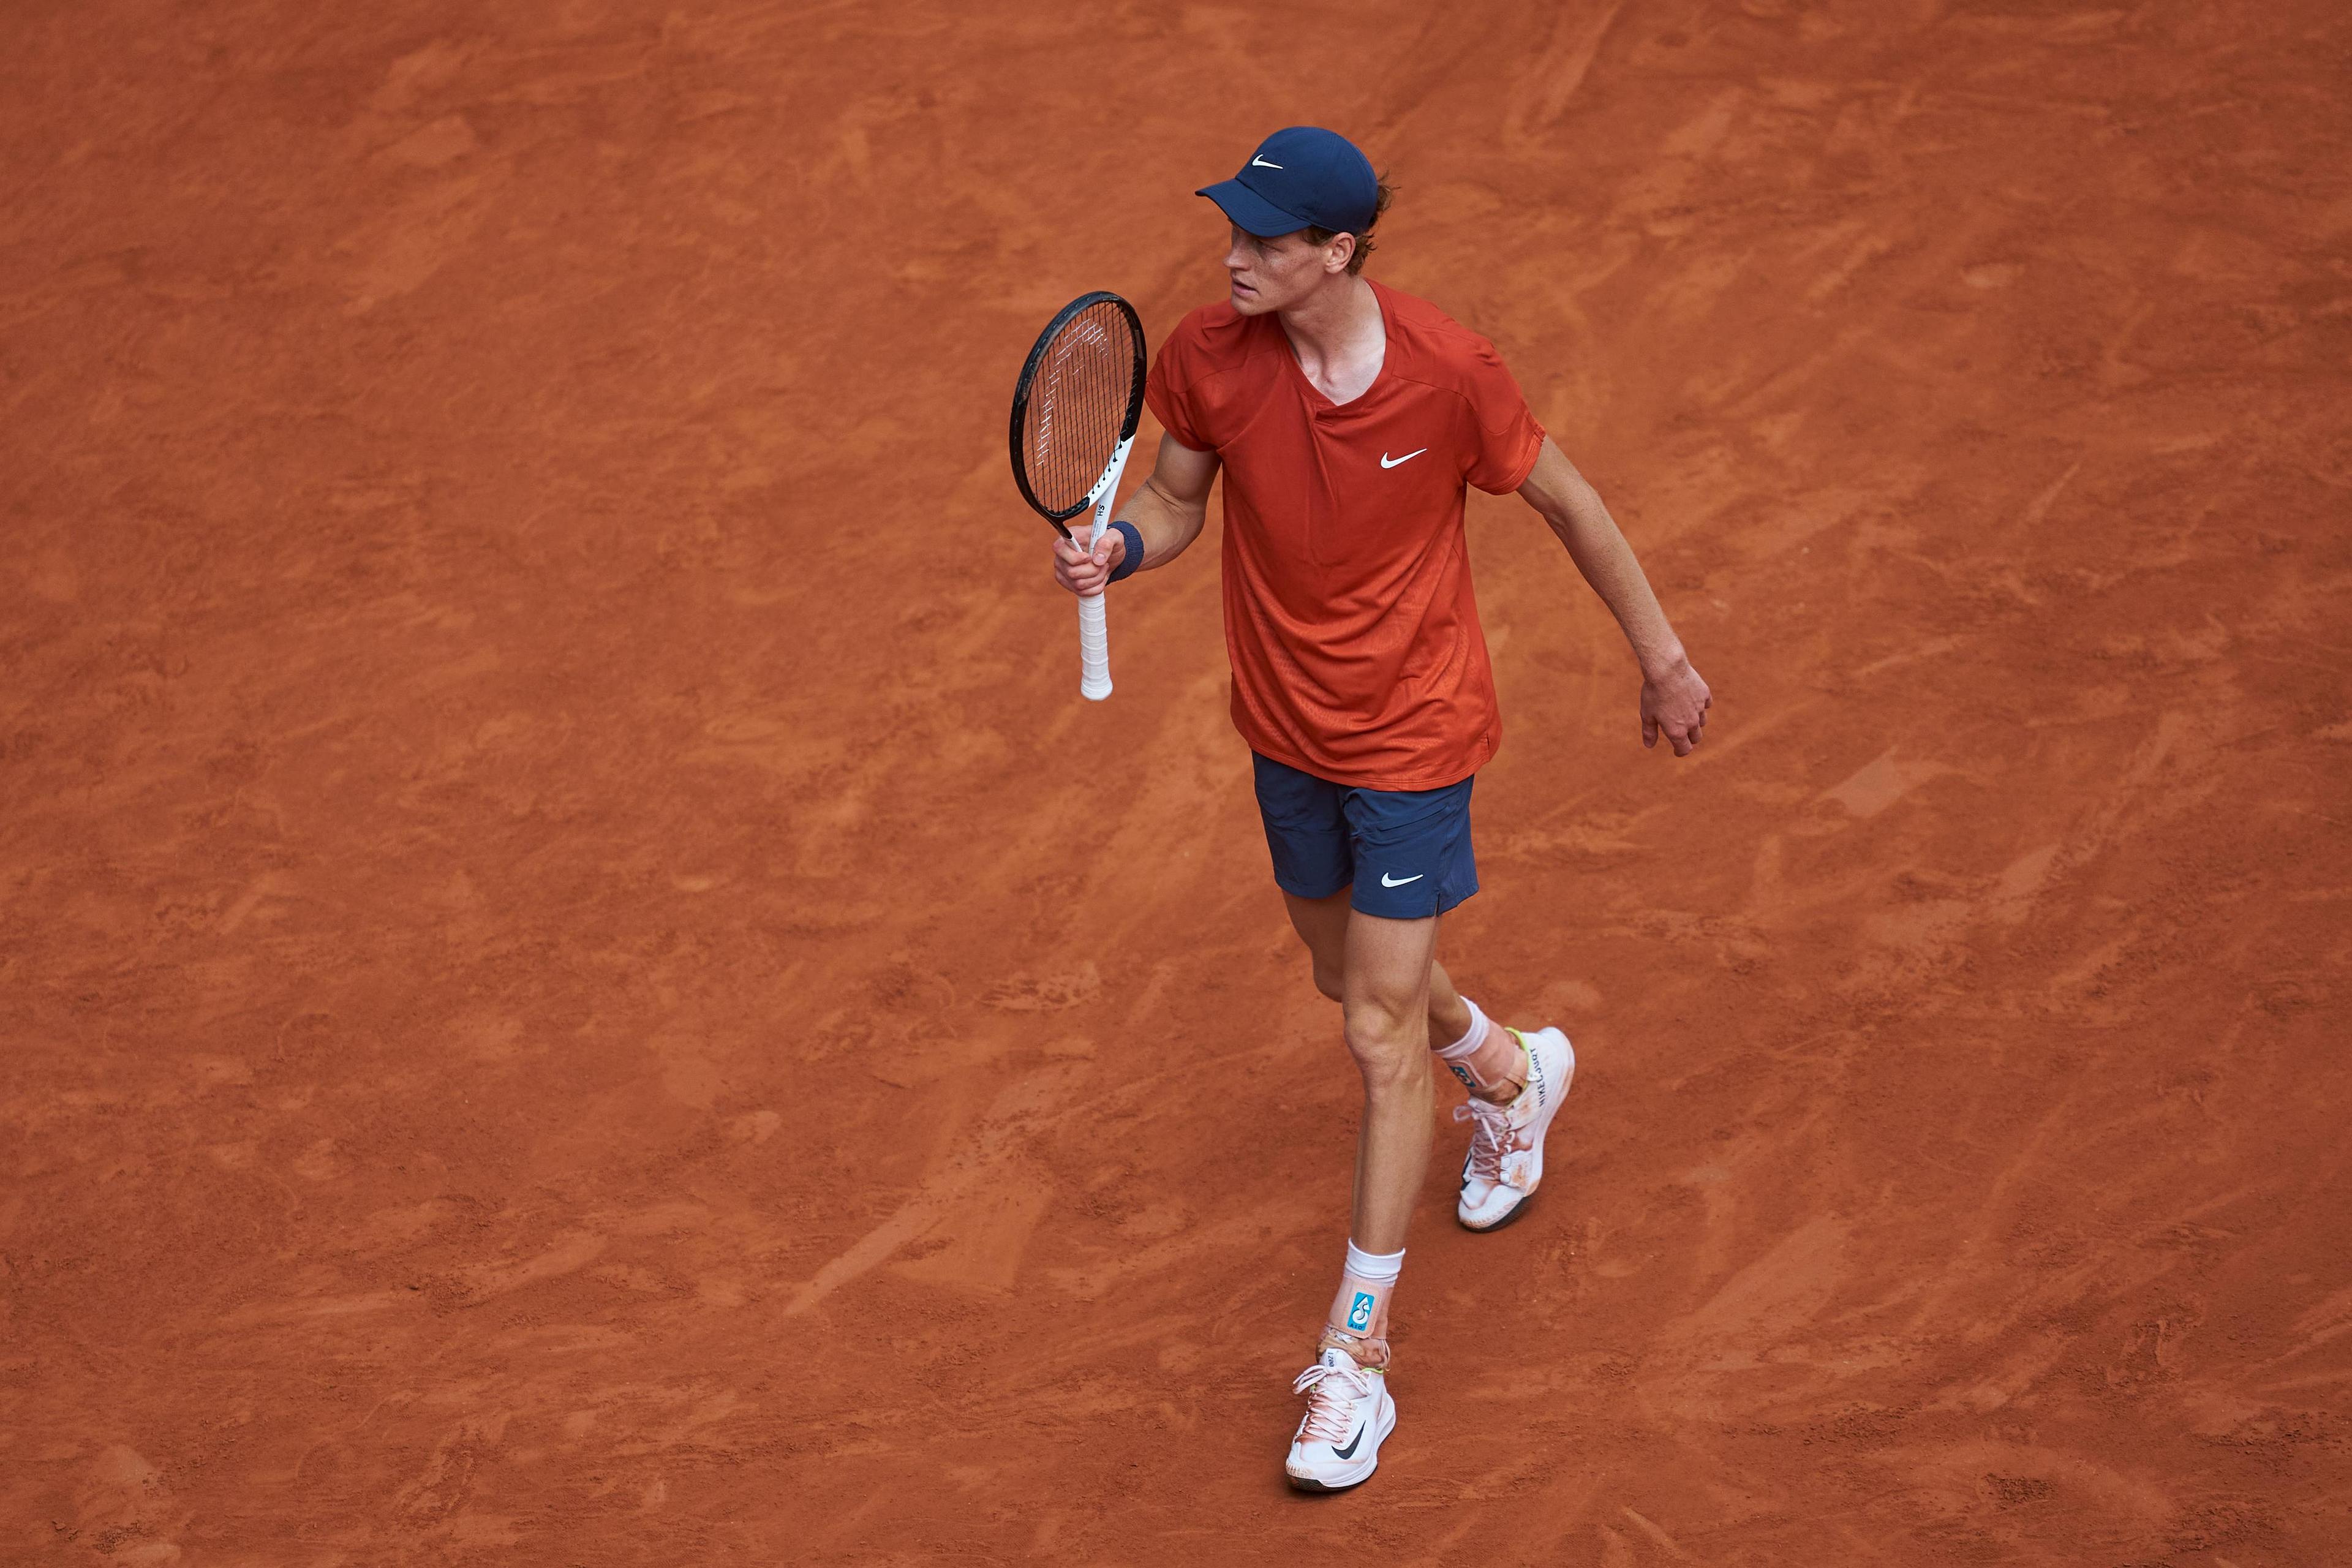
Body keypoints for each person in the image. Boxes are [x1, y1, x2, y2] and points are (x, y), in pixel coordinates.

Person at [1049, 126, 1711, 1492]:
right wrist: (1120, 544)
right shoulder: (1207, 356)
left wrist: (1663, 658)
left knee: (1370, 1024)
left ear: (1336, 252)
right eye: (1232, 233)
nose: (1232, 257)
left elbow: (1574, 508)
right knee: (1336, 964)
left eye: (1263, 241)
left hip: (1415, 734)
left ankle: (1355, 1359)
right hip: (1285, 728)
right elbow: (1178, 501)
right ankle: (1512, 1074)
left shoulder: (1449, 373)